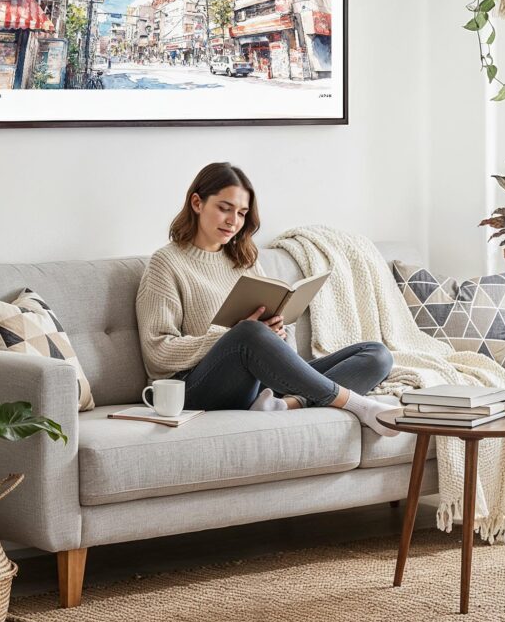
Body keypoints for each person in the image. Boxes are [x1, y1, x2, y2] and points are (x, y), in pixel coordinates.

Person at [135, 162, 400, 436]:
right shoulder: (166, 263)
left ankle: (288, 404)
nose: (233, 221)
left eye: (241, 213)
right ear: (197, 203)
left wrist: (278, 334)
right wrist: (231, 334)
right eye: (224, 208)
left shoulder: (243, 260)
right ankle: (360, 406)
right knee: (249, 332)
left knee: (377, 355)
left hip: (256, 382)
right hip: (193, 390)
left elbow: (274, 340)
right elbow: (158, 352)